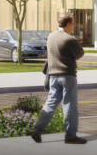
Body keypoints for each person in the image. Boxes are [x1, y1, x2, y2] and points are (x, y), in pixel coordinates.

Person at [30, 11, 87, 145]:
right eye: (73, 23)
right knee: (69, 106)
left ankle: (37, 131)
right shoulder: (69, 39)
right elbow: (80, 53)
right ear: (68, 24)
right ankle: (70, 136)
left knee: (50, 103)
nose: (74, 26)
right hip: (67, 76)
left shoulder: (51, 36)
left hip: (53, 76)